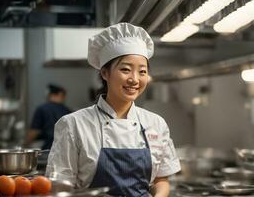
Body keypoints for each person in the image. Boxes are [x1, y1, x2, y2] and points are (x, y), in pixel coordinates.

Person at [45, 23, 181, 197]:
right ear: (104, 73)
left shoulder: (156, 123)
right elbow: (59, 186)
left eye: (142, 71)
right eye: (125, 69)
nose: (134, 79)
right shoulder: (73, 124)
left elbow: (161, 180)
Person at [25, 84, 71, 150]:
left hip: (49, 149)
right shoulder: (68, 111)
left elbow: (33, 131)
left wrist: (25, 145)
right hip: (65, 149)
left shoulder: (42, 109)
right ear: (60, 94)